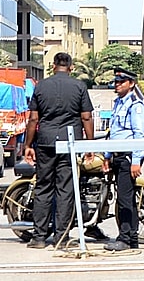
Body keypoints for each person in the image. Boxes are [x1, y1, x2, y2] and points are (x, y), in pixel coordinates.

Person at [24, 52, 95, 249]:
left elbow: (33, 119)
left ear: (53, 66)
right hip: (69, 144)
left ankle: (38, 238)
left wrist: (28, 145)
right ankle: (61, 238)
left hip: (46, 142)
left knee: (43, 188)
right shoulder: (79, 87)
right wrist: (90, 145)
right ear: (71, 67)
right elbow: (86, 118)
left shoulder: (41, 86)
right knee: (65, 190)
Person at [103, 67, 144, 252]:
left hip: (128, 157)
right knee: (123, 198)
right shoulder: (118, 103)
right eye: (116, 82)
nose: (118, 84)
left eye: (122, 82)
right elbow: (113, 132)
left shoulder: (135, 105)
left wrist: (136, 160)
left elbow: (139, 134)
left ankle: (126, 238)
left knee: (125, 199)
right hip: (117, 155)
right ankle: (131, 238)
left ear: (131, 84)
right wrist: (106, 156)